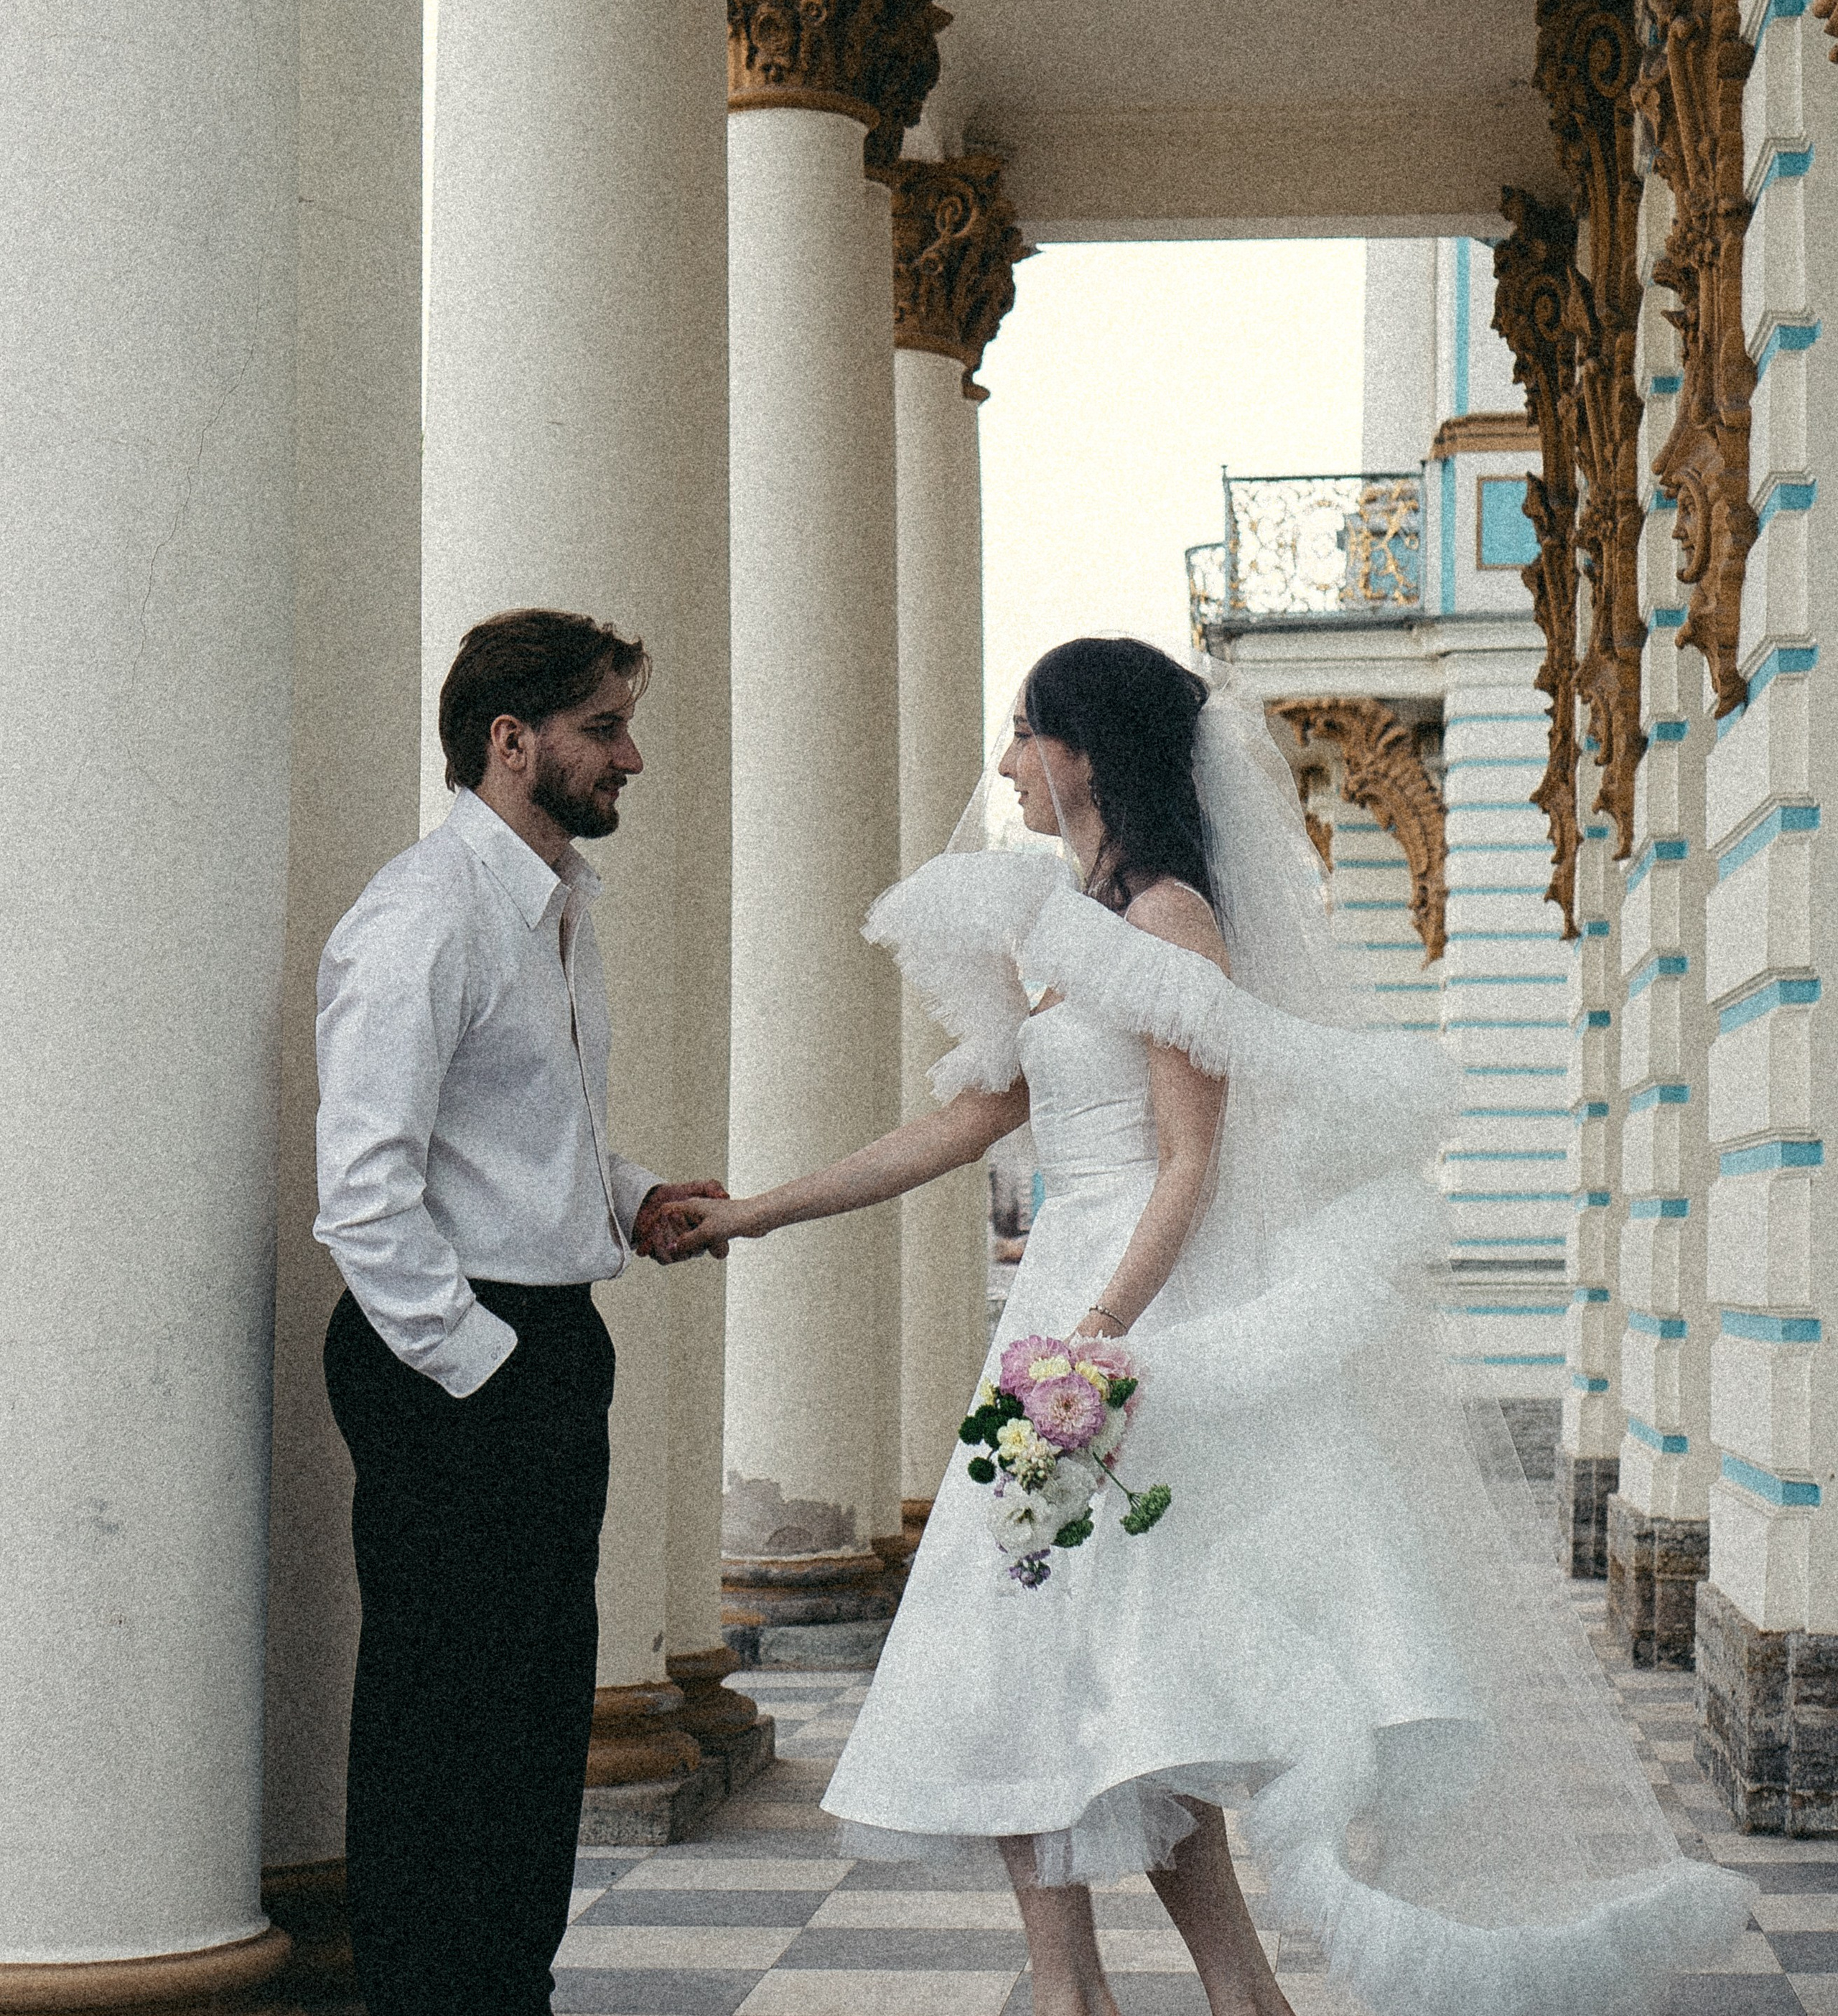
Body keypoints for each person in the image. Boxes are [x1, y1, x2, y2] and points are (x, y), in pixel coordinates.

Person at [660, 635, 1754, 2016]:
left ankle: (1160, 1998)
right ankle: (1125, 1996)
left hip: (1137, 1319)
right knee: (1046, 1658)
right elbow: (960, 1122)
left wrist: (1099, 1341)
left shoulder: (1171, 920)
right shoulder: (1060, 931)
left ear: (1085, 753)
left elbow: (1189, 1157)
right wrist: (751, 1214)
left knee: (1111, 1666)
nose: (1002, 765)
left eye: (1021, 735)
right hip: (1070, 1307)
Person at [314, 607, 727, 2016]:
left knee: (539, 1711)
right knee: (445, 1718)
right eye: (604, 727)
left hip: (546, 1339)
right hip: (454, 1355)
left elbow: (509, 1137)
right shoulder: (421, 916)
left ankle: (505, 1994)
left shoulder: (556, 909)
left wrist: (626, 1197)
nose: (632, 757)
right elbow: (365, 1189)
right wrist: (483, 1369)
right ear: (512, 742)